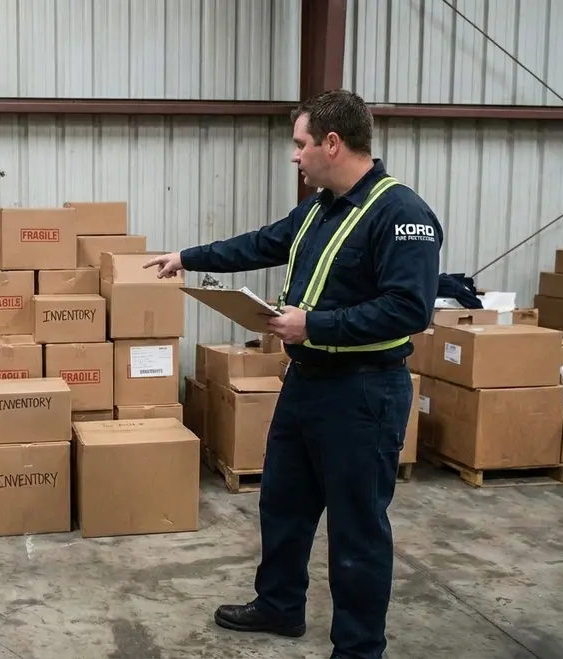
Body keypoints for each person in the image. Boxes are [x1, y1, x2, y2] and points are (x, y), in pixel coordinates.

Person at [144, 89, 443, 659]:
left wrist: (317, 326)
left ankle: (358, 648)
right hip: (306, 385)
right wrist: (188, 257)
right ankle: (280, 606)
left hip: (363, 394)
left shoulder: (401, 213)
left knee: (357, 529)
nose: (295, 156)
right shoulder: (320, 208)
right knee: (283, 502)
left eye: (301, 145)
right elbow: (263, 243)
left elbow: (410, 310)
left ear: (333, 143)